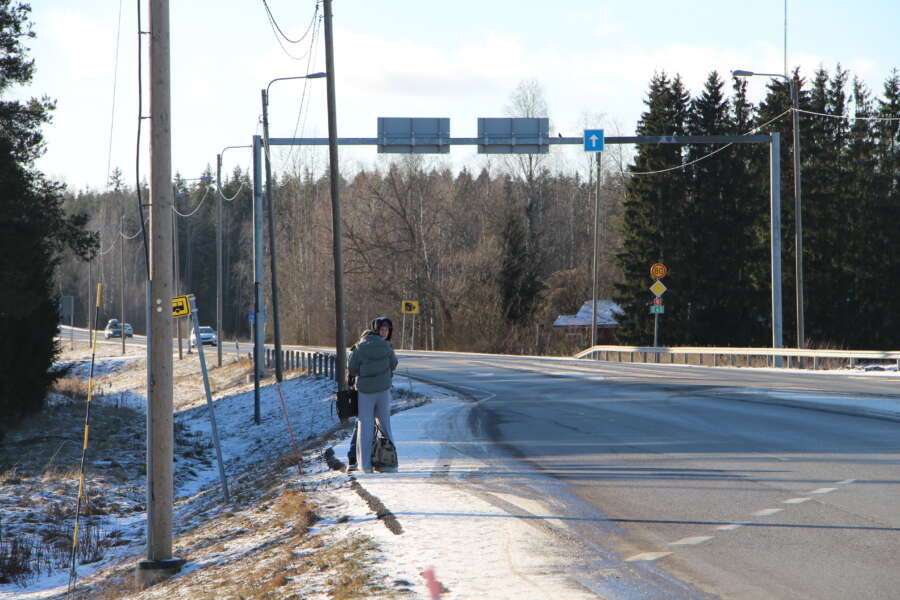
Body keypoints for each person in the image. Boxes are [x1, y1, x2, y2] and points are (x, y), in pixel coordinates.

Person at [348, 316, 398, 473]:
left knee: (365, 427)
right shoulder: (386, 347)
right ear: (378, 331)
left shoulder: (359, 347)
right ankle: (390, 464)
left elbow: (352, 368)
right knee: (385, 425)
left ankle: (365, 466)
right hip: (383, 390)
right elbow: (394, 363)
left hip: (365, 392)